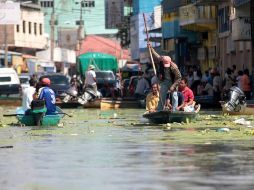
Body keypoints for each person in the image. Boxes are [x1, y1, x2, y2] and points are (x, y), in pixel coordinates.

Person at [148, 43, 182, 111]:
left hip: (173, 82)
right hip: (164, 81)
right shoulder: (161, 61)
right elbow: (156, 55)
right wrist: (151, 48)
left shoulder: (174, 68)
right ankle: (160, 109)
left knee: (174, 96)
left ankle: (175, 110)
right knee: (162, 95)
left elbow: (179, 78)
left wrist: (173, 86)